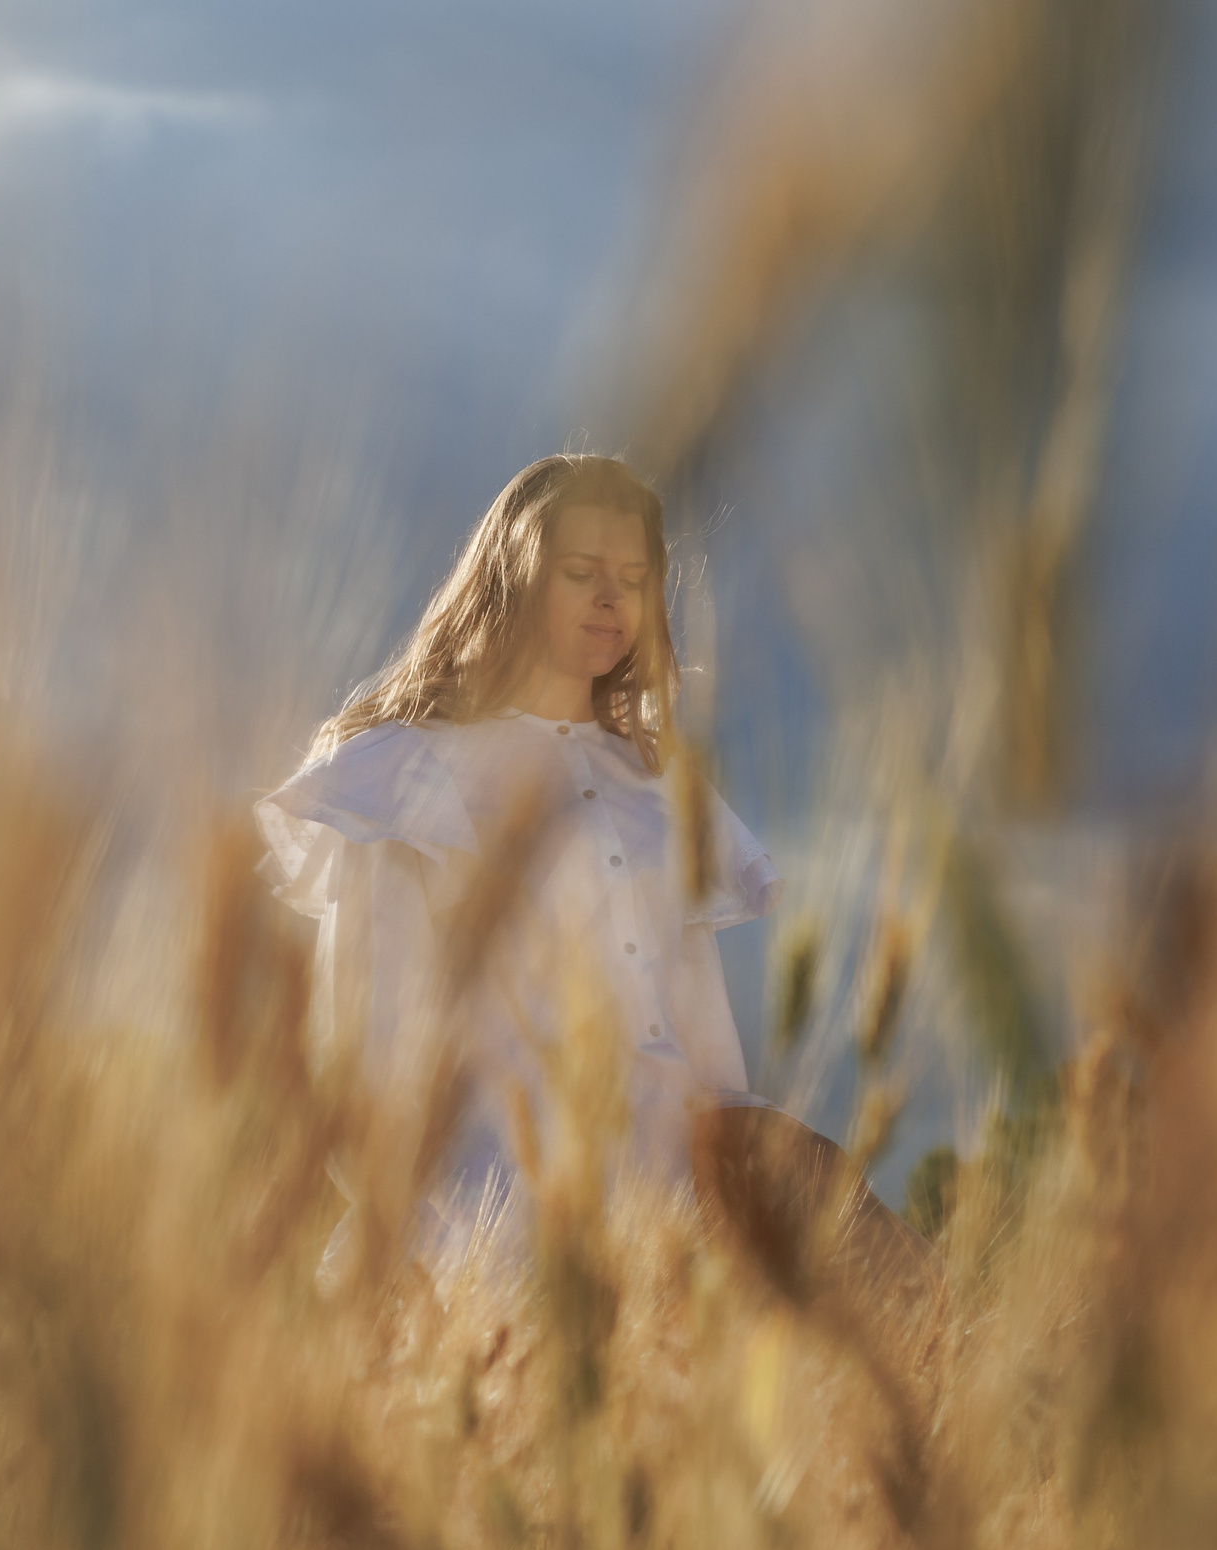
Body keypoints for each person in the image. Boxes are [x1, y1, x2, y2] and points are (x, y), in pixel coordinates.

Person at [254, 453, 805, 1262]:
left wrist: (738, 1172)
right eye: (581, 572)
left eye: (635, 575)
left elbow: (699, 1025)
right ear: (514, 576)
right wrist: (412, 1214)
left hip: (678, 1192)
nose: (613, 598)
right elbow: (365, 1038)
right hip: (488, 1198)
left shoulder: (661, 788)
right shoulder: (402, 772)